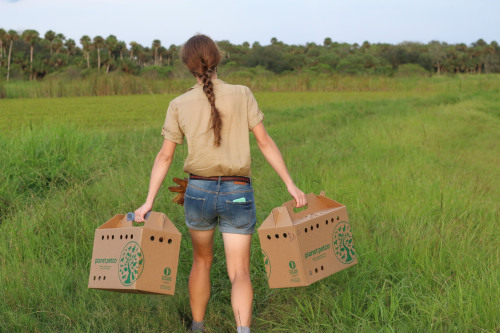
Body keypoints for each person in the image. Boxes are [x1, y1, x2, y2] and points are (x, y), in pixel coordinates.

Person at [133, 34, 307, 333]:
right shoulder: (243, 93)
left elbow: (164, 156)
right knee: (239, 270)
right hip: (238, 193)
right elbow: (264, 142)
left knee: (201, 261)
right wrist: (290, 184)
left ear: (188, 66)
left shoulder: (178, 104)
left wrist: (148, 201)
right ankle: (243, 330)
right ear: (218, 60)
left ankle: (197, 327)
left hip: (197, 192)